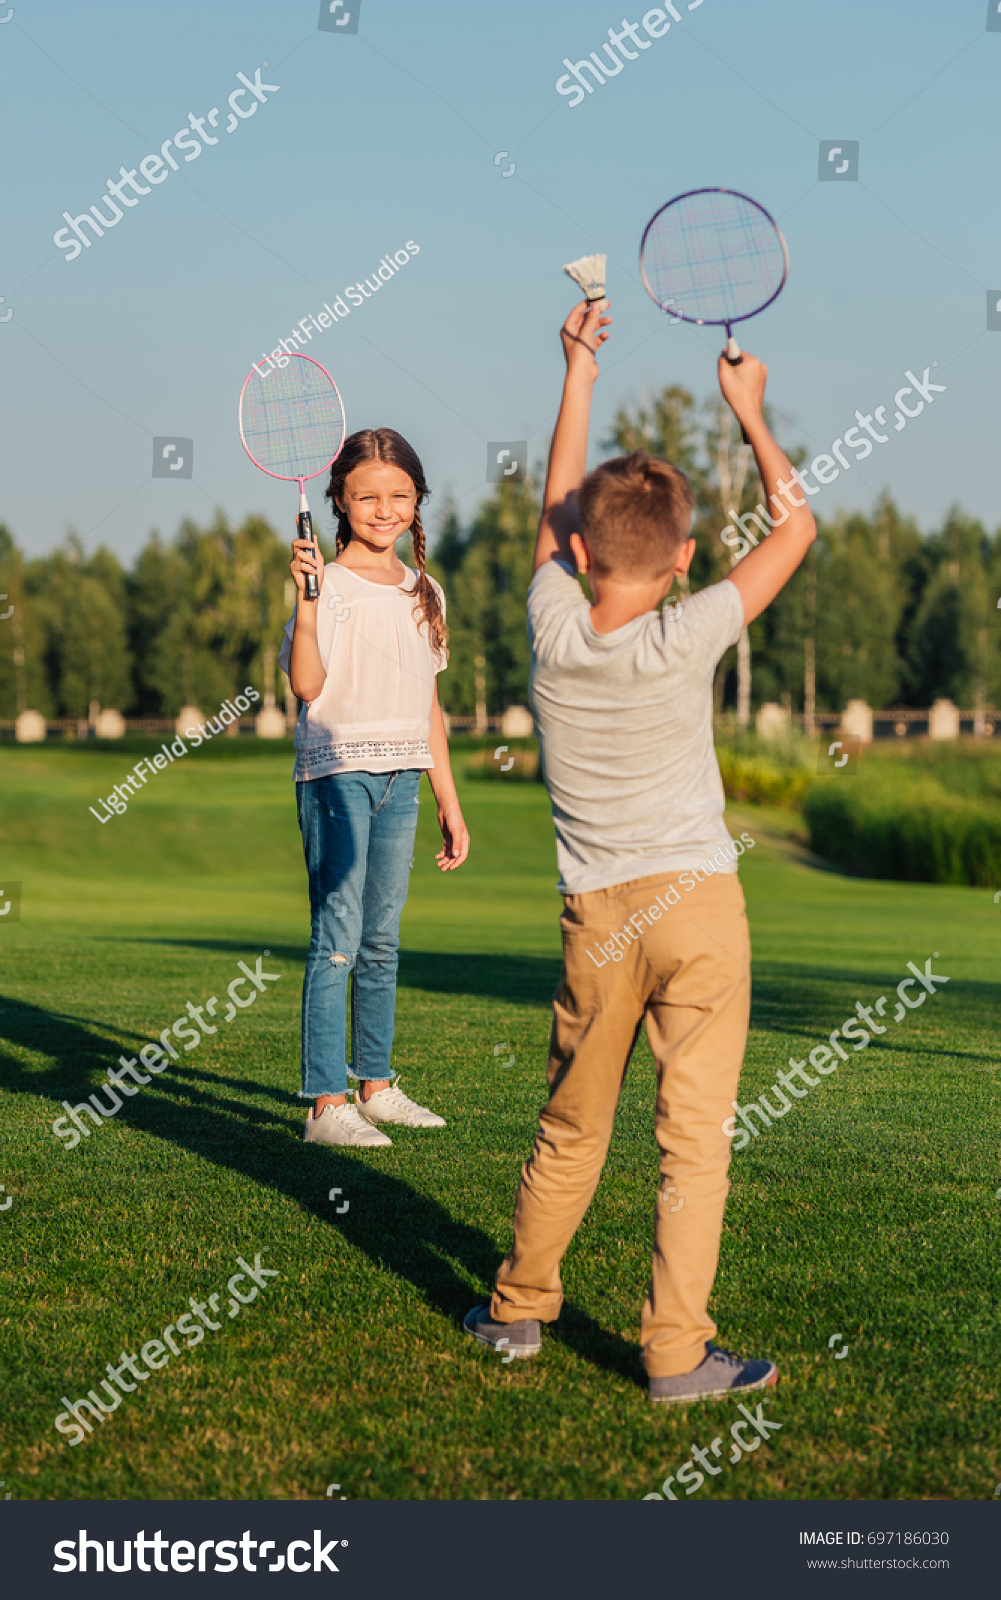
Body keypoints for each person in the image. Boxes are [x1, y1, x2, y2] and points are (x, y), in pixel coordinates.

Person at [464, 301, 816, 1401]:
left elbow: (554, 513)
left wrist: (575, 370)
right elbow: (795, 530)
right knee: (691, 1138)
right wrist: (748, 411)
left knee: (572, 1120)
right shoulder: (692, 623)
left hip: (596, 916)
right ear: (684, 557)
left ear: (574, 549)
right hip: (699, 907)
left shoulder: (551, 621)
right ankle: (672, 1353)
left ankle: (518, 1312)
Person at [279, 427, 469, 1148]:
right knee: (338, 939)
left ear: (417, 499)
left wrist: (449, 800)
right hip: (337, 773)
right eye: (366, 496)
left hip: (403, 778)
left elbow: (428, 705)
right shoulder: (325, 584)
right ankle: (327, 1106)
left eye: (398, 495)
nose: (383, 508)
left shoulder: (427, 590)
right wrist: (306, 600)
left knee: (381, 940)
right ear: (338, 499)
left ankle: (376, 1087)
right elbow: (306, 685)